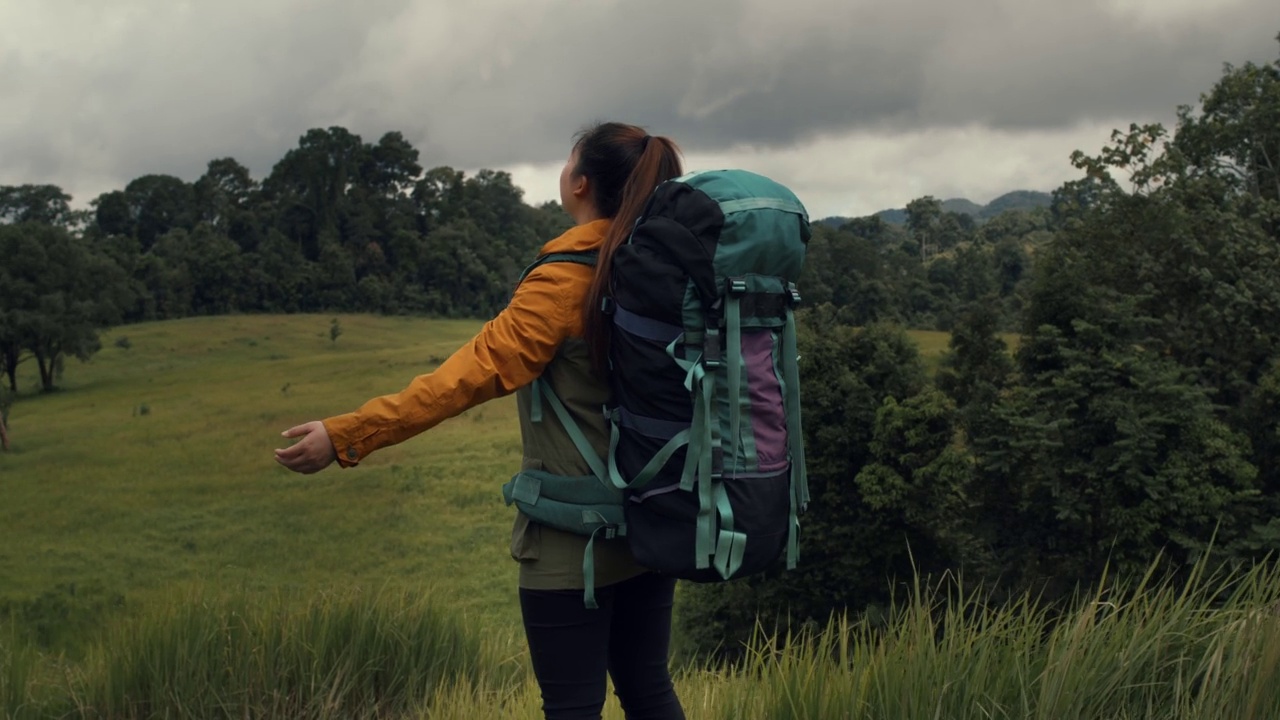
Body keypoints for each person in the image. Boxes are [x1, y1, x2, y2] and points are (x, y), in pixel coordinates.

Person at [274, 121, 687, 720]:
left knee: (571, 707)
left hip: (572, 544)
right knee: (649, 690)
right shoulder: (663, 273)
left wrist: (347, 434)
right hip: (653, 521)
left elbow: (462, 380)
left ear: (581, 183)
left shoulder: (564, 281)